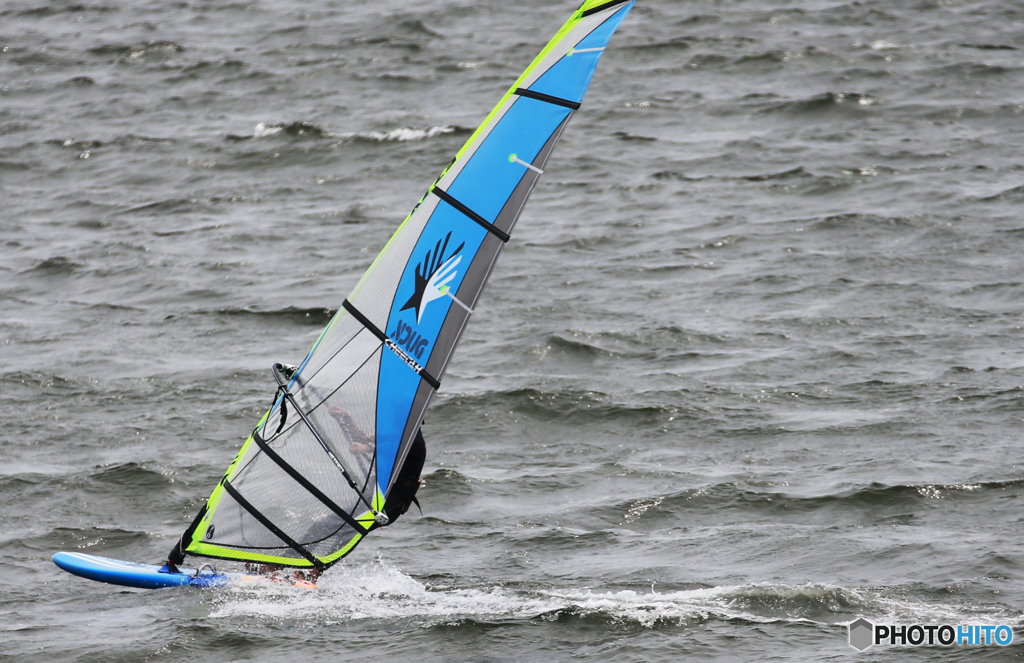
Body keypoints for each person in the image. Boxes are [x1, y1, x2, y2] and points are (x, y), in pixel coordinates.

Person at [374, 429, 426, 528]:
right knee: (341, 523)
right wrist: (345, 418)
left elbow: (384, 449)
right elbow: (364, 438)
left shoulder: (414, 441)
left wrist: (365, 447)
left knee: (347, 526)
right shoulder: (399, 437)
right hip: (381, 497)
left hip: (391, 505)